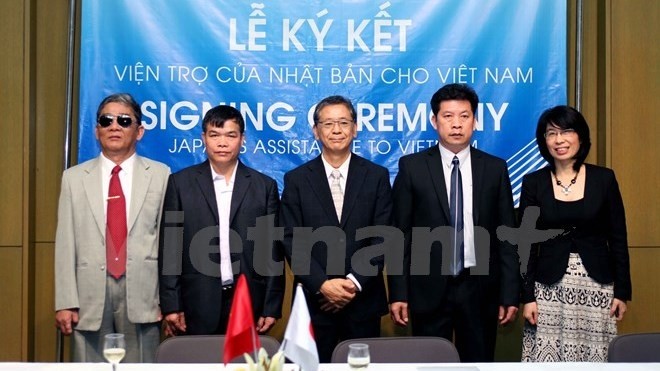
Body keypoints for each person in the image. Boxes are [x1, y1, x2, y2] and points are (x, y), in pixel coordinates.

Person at [387, 83, 519, 362]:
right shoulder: (412, 167)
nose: (456, 124)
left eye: (464, 116)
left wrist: (509, 293)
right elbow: (400, 235)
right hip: (428, 288)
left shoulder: (495, 168)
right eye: (448, 116)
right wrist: (398, 292)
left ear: (475, 121)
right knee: (429, 364)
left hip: (480, 288)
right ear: (434, 121)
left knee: (479, 362)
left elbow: (507, 237)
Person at [54, 93, 170, 362]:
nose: (114, 126)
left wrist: (170, 301)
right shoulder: (73, 178)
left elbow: (169, 244)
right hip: (87, 296)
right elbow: (65, 243)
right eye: (106, 120)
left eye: (124, 120)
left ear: (139, 131)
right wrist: (65, 301)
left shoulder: (161, 174)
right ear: (97, 131)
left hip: (144, 294)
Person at [280, 95, 392, 362]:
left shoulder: (376, 176)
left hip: (363, 302)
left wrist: (351, 284)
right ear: (315, 131)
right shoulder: (296, 179)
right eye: (328, 123)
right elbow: (291, 239)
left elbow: (383, 237)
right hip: (315, 304)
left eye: (343, 122)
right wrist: (322, 284)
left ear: (355, 128)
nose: (337, 130)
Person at [158, 104, 284, 336]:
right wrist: (172, 304)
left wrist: (271, 305)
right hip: (196, 301)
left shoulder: (263, 186)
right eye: (214, 135)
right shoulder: (180, 183)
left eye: (230, 135)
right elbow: (171, 249)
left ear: (242, 139)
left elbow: (272, 253)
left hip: (248, 301)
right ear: (203, 138)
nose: (222, 143)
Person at [520, 105, 631, 362]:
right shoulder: (533, 182)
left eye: (567, 131)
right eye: (551, 133)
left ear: (580, 136)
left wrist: (622, 292)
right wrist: (527, 297)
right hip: (547, 290)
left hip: (597, 286)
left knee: (596, 357)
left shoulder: (604, 179)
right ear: (543, 140)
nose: (559, 140)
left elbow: (618, 238)